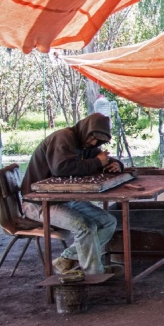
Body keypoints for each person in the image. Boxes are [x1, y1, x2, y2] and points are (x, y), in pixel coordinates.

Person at [21, 113, 122, 275]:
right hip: (38, 202)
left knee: (108, 222)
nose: (93, 143)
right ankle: (94, 274)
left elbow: (101, 158)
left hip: (64, 199)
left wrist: (115, 164)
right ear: (86, 129)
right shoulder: (64, 137)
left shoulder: (84, 143)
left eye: (99, 141)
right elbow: (61, 169)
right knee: (85, 227)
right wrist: (97, 162)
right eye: (93, 137)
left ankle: (66, 258)